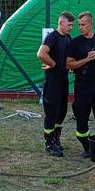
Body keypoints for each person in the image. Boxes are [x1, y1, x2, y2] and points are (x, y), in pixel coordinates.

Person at [66, 11, 95, 158]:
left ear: (91, 24)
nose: (80, 27)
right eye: (79, 25)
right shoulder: (75, 42)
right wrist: (86, 60)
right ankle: (87, 147)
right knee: (81, 116)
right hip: (82, 85)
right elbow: (69, 64)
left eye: (83, 25)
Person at [37, 11, 74, 157]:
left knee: (62, 111)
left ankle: (56, 139)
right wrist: (52, 64)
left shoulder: (68, 38)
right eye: (69, 25)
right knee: (51, 112)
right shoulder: (52, 37)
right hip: (52, 81)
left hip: (63, 79)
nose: (71, 27)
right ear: (60, 23)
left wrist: (70, 66)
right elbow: (41, 53)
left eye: (72, 25)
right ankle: (49, 143)